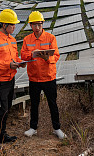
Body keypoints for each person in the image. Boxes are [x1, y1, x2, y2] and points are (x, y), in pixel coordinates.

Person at [21, 11, 67, 139]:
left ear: (42, 24)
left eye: (39, 24)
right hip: (34, 78)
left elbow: (56, 55)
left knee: (53, 104)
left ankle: (57, 128)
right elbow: (23, 55)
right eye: (34, 24)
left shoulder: (50, 38)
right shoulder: (27, 39)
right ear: (30, 25)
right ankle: (33, 128)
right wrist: (31, 54)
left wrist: (47, 58)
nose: (37, 27)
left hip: (48, 77)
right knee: (34, 104)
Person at [0, 9, 26, 149]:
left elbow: (14, 57)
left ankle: (2, 135)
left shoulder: (12, 40)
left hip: (11, 78)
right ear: (3, 25)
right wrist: (8, 64)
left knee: (7, 108)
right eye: (12, 24)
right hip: (0, 81)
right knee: (2, 109)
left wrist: (20, 62)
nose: (15, 27)